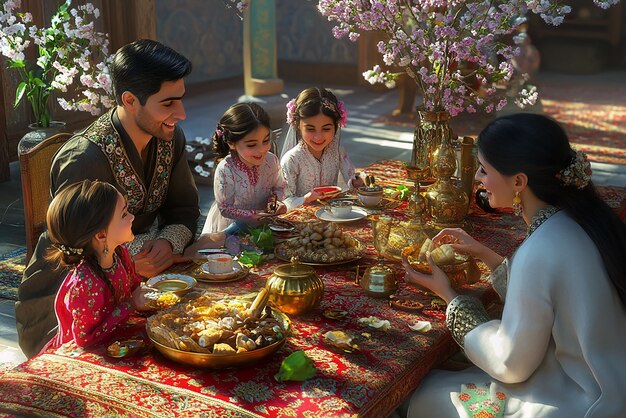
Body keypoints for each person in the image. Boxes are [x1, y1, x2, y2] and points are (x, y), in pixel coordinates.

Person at [400, 113, 626, 417]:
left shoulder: (541, 248)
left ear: (519, 181)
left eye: (483, 169)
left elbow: (510, 364)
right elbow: (547, 299)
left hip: (574, 402)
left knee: (423, 393)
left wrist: (453, 301)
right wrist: (485, 254)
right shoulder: (582, 219)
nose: (478, 178)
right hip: (607, 386)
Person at [17, 39, 210, 358]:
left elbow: (184, 208)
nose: (182, 114)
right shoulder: (84, 159)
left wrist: (167, 245)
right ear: (130, 100)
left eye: (181, 100)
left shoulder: (169, 137)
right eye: (168, 103)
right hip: (71, 302)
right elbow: (76, 247)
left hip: (135, 281)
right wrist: (135, 256)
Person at [42, 180, 148, 351]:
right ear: (100, 235)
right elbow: (84, 339)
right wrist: (131, 305)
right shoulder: (86, 283)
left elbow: (132, 286)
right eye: (124, 214)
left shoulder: (120, 253)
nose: (132, 217)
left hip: (116, 337)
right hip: (84, 354)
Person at [201, 102, 287, 234]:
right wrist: (251, 215)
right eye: (252, 145)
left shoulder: (271, 160)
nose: (261, 150)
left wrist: (274, 201)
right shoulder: (226, 169)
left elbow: (279, 187)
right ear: (231, 143)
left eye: (265, 141)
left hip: (265, 222)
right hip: (233, 227)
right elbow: (225, 208)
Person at [280, 87, 364, 209]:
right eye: (310, 129)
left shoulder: (337, 152)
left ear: (336, 126)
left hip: (332, 215)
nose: (318, 137)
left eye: (326, 129)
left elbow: (350, 180)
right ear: (298, 126)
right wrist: (305, 199)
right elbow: (284, 201)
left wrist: (357, 181)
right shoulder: (292, 160)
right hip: (302, 221)